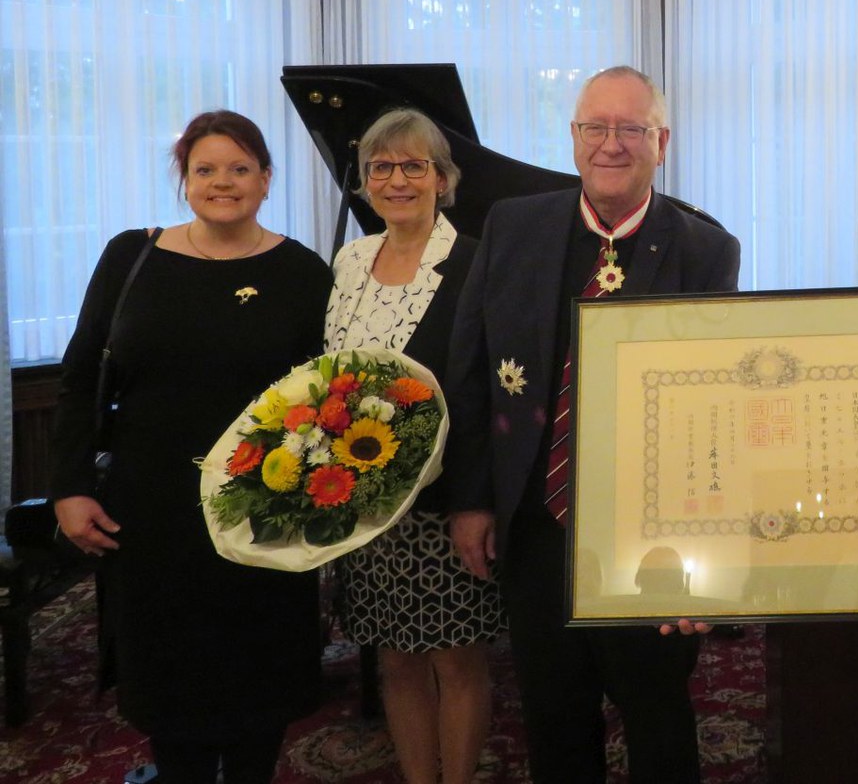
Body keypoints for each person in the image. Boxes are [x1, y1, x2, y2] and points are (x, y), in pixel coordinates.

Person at [442, 66, 740, 783]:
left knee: (656, 710)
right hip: (536, 522)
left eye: (630, 129)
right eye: (594, 128)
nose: (611, 144)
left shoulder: (705, 249)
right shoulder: (512, 227)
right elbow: (472, 369)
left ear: (660, 142)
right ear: (574, 138)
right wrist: (473, 499)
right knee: (551, 711)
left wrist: (708, 551)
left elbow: (715, 411)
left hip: (650, 534)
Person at [52, 110, 330, 783]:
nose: (222, 182)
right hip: (152, 511)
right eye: (205, 169)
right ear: (185, 180)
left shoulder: (303, 272)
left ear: (266, 180)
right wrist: (70, 486)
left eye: (239, 169)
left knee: (257, 680)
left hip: (262, 510)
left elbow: (330, 400)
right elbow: (81, 373)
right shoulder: (132, 256)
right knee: (168, 680)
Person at [324, 107, 505, 784]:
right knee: (394, 658)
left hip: (442, 505)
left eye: (413, 165)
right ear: (364, 181)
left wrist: (474, 503)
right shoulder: (346, 262)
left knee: (457, 660)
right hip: (366, 504)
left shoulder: (475, 262)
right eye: (381, 167)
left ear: (443, 178)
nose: (396, 179)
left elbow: (488, 397)